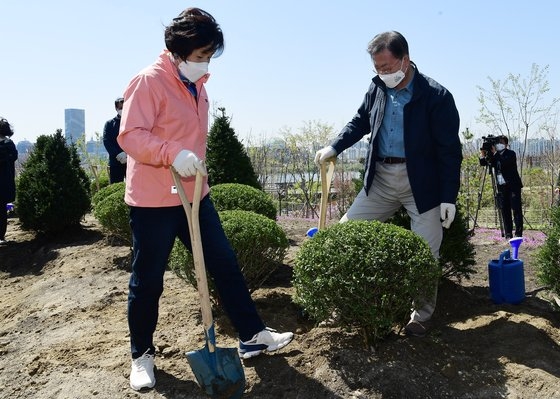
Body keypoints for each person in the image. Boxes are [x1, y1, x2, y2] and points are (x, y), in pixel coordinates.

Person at [117, 7, 293, 391]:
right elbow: (130, 135)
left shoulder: (199, 86)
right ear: (179, 52)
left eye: (210, 55)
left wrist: (192, 162)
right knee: (147, 281)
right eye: (201, 56)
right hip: (153, 200)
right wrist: (171, 153)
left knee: (225, 263)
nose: (206, 63)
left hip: (195, 193)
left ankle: (251, 335)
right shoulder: (148, 82)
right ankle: (141, 355)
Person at [314, 31, 462, 337]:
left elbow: (450, 151)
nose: (382, 73)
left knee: (426, 252)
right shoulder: (377, 88)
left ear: (405, 60)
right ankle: (341, 305)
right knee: (344, 235)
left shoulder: (436, 97)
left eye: (386, 66)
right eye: (376, 68)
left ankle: (420, 316)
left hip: (421, 185)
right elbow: (360, 121)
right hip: (380, 180)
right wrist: (335, 147)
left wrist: (448, 196)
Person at [479, 135, 523, 239]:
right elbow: (484, 162)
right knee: (505, 210)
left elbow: (504, 163)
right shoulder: (495, 155)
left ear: (506, 144)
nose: (499, 144)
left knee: (516, 210)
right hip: (502, 188)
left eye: (501, 142)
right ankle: (508, 234)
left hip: (513, 186)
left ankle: (518, 233)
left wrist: (494, 153)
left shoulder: (510, 154)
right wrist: (483, 153)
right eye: (498, 142)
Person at [0, 117, 18, 245]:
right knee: (2, 211)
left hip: (3, 184)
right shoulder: (9, 144)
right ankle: (1, 236)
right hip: (5, 184)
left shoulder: (7, 145)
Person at [103, 97, 127, 184]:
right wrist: (118, 154)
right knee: (115, 187)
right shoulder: (109, 124)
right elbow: (107, 141)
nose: (122, 110)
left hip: (131, 161)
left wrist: (127, 154)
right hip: (115, 162)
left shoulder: (133, 123)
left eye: (124, 108)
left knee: (134, 188)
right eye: (120, 108)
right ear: (116, 108)